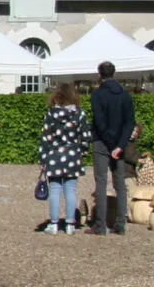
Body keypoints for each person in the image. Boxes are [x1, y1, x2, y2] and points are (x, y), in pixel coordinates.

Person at [38, 82, 91, 234]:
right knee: (71, 190)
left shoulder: (51, 114)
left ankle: (53, 224)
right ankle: (70, 225)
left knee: (55, 190)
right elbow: (86, 136)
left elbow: (46, 138)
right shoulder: (79, 114)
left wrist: (43, 158)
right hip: (73, 154)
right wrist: (82, 152)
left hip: (54, 154)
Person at [89, 62, 133, 234]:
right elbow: (129, 122)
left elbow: (99, 122)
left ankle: (101, 224)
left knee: (101, 182)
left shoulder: (98, 95)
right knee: (120, 183)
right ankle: (121, 223)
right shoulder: (125, 95)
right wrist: (120, 145)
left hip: (102, 142)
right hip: (119, 144)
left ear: (100, 74)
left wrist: (110, 143)